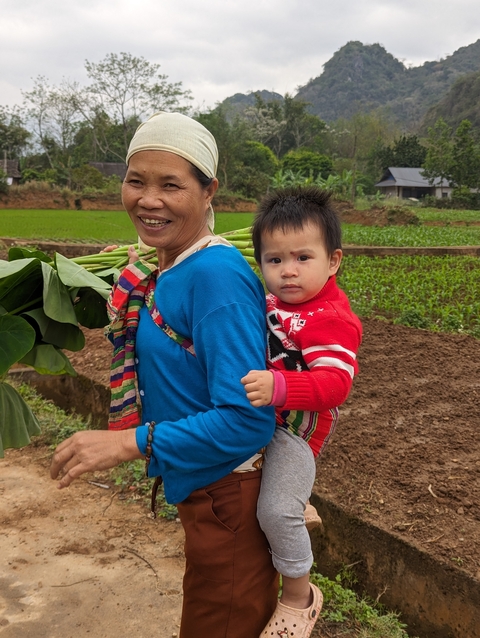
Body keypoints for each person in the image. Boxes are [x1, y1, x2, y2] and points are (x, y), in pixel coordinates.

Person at [50, 111, 279, 637]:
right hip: (204, 494)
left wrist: (130, 441)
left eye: (170, 185)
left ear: (208, 191)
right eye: (136, 181)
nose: (148, 200)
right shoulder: (167, 266)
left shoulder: (215, 277)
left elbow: (247, 422)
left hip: (230, 501)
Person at [241, 186, 362, 638]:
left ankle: (299, 596)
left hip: (294, 432)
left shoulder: (330, 317)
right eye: (274, 261)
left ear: (333, 261)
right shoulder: (270, 301)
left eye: (302, 258)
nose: (288, 271)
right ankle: (298, 500)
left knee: (273, 511)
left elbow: (335, 386)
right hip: (262, 418)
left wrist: (279, 386)